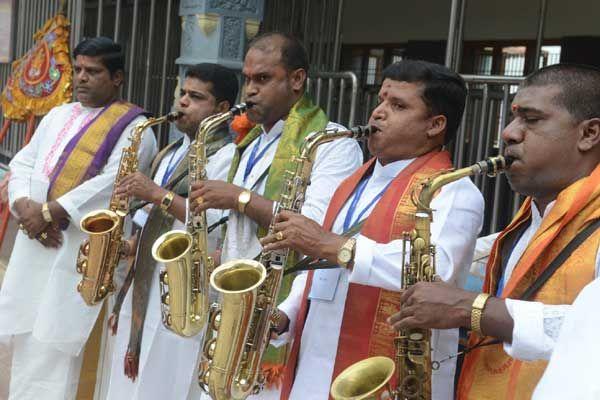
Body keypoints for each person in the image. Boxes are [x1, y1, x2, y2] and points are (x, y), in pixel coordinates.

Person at [260, 60, 485, 400]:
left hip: (387, 375)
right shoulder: (357, 179)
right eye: (381, 100)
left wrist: (336, 246)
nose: (378, 113)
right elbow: (321, 272)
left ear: (435, 125)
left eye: (398, 106)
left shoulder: (453, 192)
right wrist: (284, 315)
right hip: (312, 360)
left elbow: (433, 270)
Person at [389, 63, 600, 400]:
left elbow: (592, 331)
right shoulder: (528, 220)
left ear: (589, 134)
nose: (509, 133)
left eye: (531, 120)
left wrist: (473, 309)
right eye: (514, 118)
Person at [189, 32, 363, 399]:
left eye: (263, 79)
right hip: (233, 304)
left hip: (280, 318)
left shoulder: (334, 143)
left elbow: (313, 229)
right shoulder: (253, 142)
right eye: (248, 79)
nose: (249, 90)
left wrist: (238, 197)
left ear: (297, 80)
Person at [0, 36, 157, 400]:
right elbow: (23, 162)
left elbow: (113, 183)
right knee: (27, 342)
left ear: (117, 77)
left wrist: (49, 213)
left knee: (59, 350)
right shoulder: (58, 114)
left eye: (94, 71)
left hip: (77, 252)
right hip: (34, 244)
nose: (83, 78)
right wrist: (27, 209)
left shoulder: (135, 129)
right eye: (79, 70)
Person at [104, 62, 240, 400]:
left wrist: (154, 193)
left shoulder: (227, 156)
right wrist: (132, 244)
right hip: (145, 281)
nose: (182, 102)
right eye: (182, 93)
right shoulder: (171, 151)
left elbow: (211, 223)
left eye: (196, 97)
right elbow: (159, 216)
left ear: (222, 110)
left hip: (182, 287)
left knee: (163, 383)